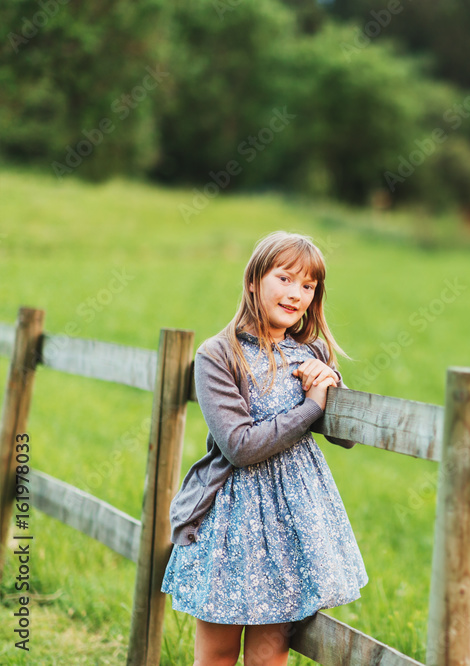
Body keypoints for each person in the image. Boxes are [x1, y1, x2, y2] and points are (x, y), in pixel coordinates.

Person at [161, 231, 368, 666]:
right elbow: (239, 446)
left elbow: (346, 435)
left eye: (308, 286)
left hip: (291, 528)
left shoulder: (309, 351)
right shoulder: (219, 355)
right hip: (233, 526)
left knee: (269, 655)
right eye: (286, 279)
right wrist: (312, 406)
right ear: (254, 280)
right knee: (217, 654)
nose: (297, 294)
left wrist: (330, 383)